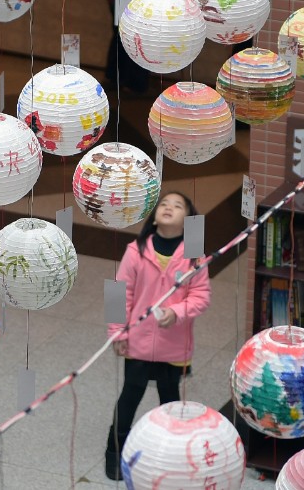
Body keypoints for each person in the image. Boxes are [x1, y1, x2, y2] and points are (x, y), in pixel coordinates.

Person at [103, 192, 211, 481]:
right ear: (153, 216)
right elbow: (118, 292)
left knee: (170, 401)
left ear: (188, 220)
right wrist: (117, 332)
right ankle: (114, 456)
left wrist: (177, 312)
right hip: (136, 341)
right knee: (130, 396)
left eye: (178, 206)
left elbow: (201, 296)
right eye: (164, 204)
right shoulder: (136, 250)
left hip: (174, 346)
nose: (168, 208)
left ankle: (170, 457)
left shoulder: (195, 254)